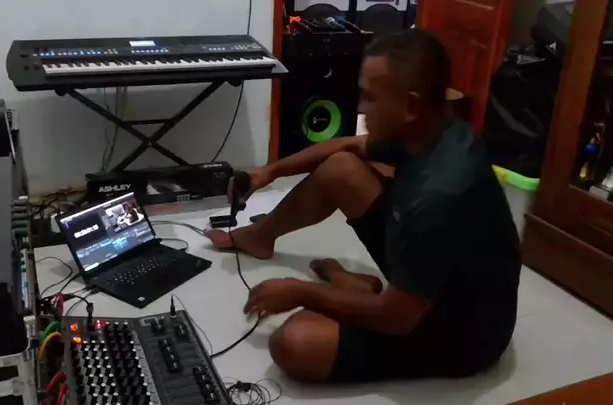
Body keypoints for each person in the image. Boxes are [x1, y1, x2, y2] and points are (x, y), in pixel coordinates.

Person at [207, 29, 521, 383]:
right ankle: (261, 237)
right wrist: (269, 172)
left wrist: (300, 292)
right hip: (425, 270)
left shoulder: (440, 195)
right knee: (341, 169)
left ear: (411, 106)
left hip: (458, 333)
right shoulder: (432, 129)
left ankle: (355, 290)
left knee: (294, 344)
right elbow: (349, 147)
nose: (360, 108)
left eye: (370, 98)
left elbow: (397, 319)